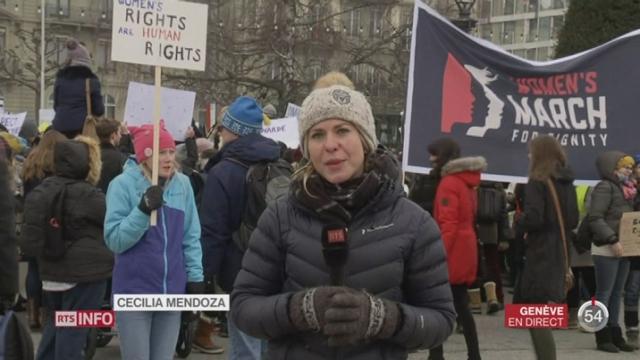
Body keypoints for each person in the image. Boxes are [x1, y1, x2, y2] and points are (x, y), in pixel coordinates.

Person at [231, 85, 456, 359]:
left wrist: (382, 317)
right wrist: (298, 309)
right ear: (306, 148)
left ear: (364, 139)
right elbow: (243, 308)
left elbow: (441, 320)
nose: (330, 144)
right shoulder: (279, 217)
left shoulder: (413, 222)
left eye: (342, 130)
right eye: (317, 134)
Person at [104, 122, 204, 360]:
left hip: (171, 293)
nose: (169, 158)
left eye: (171, 151)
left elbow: (191, 236)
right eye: (161, 152)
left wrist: (195, 279)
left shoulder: (183, 185)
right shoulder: (121, 186)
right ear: (144, 156)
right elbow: (115, 240)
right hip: (134, 293)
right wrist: (142, 210)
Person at [20, 136, 113, 360]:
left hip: (51, 275)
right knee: (74, 332)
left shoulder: (40, 192)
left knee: (54, 328)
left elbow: (29, 242)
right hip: (86, 276)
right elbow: (110, 226)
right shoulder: (91, 195)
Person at [200, 96, 280, 357]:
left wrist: (204, 279)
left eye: (222, 127)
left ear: (233, 131)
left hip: (240, 273)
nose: (219, 133)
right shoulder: (279, 162)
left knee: (245, 349)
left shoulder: (223, 172)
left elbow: (213, 232)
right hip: (278, 270)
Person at [514, 135, 579, 360]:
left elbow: (534, 218)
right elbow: (573, 218)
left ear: (539, 154)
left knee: (535, 313)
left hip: (540, 251)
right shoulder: (567, 181)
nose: (529, 155)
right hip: (560, 250)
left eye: (531, 151)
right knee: (540, 311)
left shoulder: (537, 180)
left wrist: (517, 221)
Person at [429, 149, 486, 360]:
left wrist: (438, 254)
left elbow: (448, 223)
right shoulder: (466, 183)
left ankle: (436, 354)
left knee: (438, 304)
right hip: (465, 248)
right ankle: (473, 354)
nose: (430, 159)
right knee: (461, 304)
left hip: (451, 251)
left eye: (434, 155)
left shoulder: (449, 184)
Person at [587, 151, 637, 352]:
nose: (629, 170)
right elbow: (595, 218)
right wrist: (612, 239)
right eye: (624, 166)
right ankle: (602, 336)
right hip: (606, 247)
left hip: (624, 247)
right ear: (612, 168)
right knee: (604, 293)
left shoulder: (627, 189)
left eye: (630, 167)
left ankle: (615, 333)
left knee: (618, 293)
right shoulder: (604, 187)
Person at [20, 129, 67, 329]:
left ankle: (32, 314)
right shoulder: (56, 163)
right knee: (48, 268)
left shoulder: (31, 160)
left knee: (33, 267)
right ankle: (48, 311)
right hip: (51, 221)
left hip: (30, 218)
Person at [52, 38, 104, 138]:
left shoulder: (60, 80)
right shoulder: (91, 81)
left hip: (59, 127)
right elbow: (99, 110)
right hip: (82, 129)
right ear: (86, 60)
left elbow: (56, 106)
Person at [95, 118, 127, 194]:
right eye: (119, 133)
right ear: (113, 136)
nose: (120, 136)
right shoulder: (120, 158)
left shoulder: (91, 154)